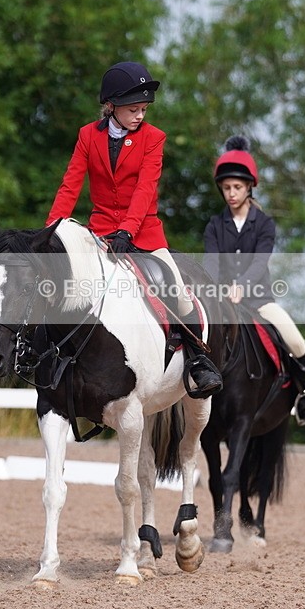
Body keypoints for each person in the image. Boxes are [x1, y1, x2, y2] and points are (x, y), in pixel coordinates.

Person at [46, 60, 222, 397]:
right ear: (110, 106)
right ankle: (55, 357)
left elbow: (145, 190)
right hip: (98, 233)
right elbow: (70, 185)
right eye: (133, 109)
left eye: (143, 109)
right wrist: (53, 229)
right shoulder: (87, 136)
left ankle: (198, 359)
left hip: (143, 234)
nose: (140, 115)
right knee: (66, 288)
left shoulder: (154, 138)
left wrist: (127, 231)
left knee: (177, 291)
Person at [203, 135, 305, 425]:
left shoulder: (264, 224)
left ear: (249, 188)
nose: (231, 193)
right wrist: (215, 289)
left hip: (258, 301)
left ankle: (304, 397)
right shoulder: (215, 225)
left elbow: (260, 261)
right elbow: (210, 262)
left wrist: (242, 286)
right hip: (222, 302)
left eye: (237, 187)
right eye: (226, 188)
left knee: (296, 340)